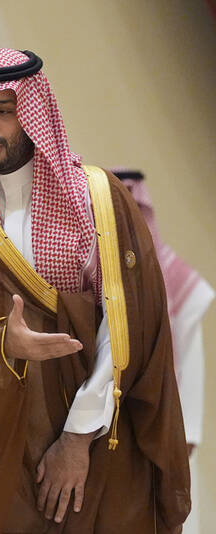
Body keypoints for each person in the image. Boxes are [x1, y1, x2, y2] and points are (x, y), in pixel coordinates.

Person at [0, 49, 189, 533]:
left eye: (4, 111)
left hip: (93, 437)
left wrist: (76, 438)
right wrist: (2, 340)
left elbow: (126, 323)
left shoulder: (99, 198)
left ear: (34, 111)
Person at [114, 168, 213, 534]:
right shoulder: (100, 277)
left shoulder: (175, 278)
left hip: (166, 439)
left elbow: (190, 364)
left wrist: (180, 445)